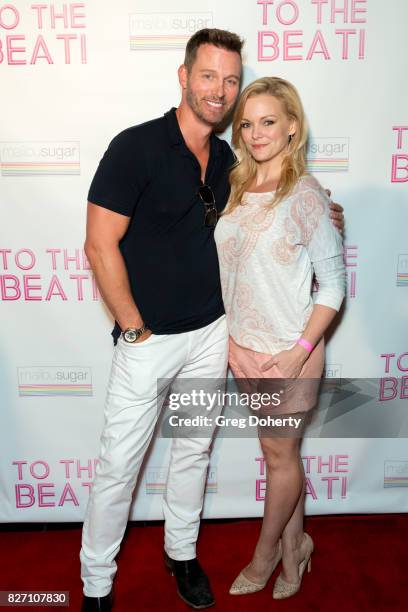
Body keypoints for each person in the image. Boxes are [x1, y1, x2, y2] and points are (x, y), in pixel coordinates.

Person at [80, 29, 344, 611]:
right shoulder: (136, 147)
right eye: (208, 76)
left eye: (231, 80)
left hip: (212, 339)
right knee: (119, 463)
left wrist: (324, 210)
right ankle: (96, 583)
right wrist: (134, 328)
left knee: (193, 451)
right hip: (147, 342)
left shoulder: (231, 160)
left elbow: (277, 209)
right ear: (184, 76)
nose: (220, 91)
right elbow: (100, 246)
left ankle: (181, 554)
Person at [214, 76, 346, 599]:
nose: (254, 133)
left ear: (293, 126)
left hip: (290, 352)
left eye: (268, 121)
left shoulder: (306, 193)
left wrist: (299, 352)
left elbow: (333, 286)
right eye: (246, 124)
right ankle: (297, 547)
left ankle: (265, 553)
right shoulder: (232, 187)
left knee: (280, 456)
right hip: (242, 348)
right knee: (278, 457)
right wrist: (230, 342)